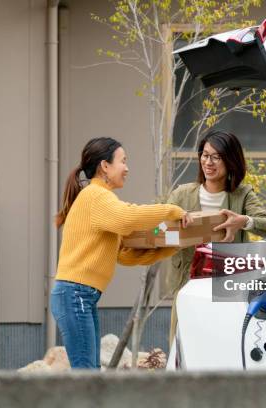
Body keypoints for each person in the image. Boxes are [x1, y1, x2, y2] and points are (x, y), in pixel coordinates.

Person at [52, 137, 192, 369]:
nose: (127, 168)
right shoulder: (96, 196)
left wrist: (172, 246)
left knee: (89, 373)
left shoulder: (100, 200)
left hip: (80, 295)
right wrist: (172, 210)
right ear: (104, 166)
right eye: (123, 161)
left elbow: (124, 254)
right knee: (86, 375)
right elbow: (127, 219)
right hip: (75, 294)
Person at [166, 130, 266, 343]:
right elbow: (157, 231)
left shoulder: (242, 195)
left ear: (230, 160)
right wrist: (176, 234)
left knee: (223, 345)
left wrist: (243, 221)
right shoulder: (182, 194)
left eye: (216, 157)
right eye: (205, 155)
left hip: (227, 287)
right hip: (189, 284)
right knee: (184, 345)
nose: (209, 162)